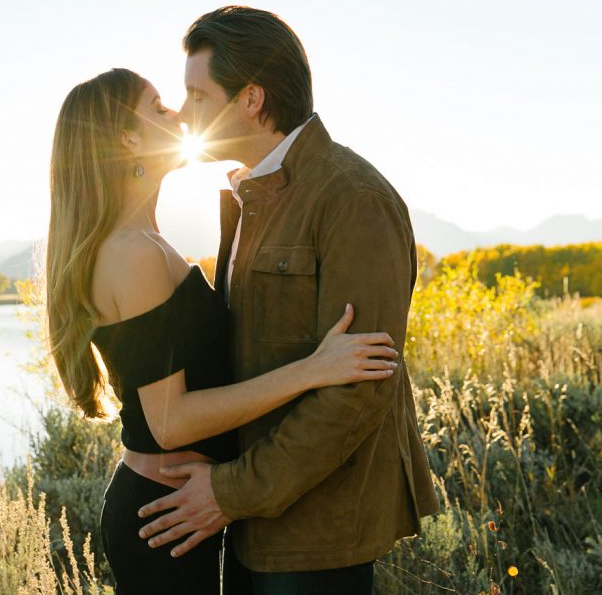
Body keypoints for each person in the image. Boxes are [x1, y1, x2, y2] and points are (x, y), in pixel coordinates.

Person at [44, 67, 401, 594]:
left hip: (178, 504)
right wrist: (311, 371)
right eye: (161, 107)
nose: (181, 116)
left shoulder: (146, 240)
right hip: (162, 512)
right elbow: (169, 422)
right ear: (128, 138)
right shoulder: (133, 254)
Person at [135, 7, 441, 595]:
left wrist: (228, 493)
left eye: (198, 97)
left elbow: (357, 392)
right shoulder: (250, 196)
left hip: (318, 537)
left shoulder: (352, 199)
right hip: (252, 522)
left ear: (251, 98)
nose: (183, 115)